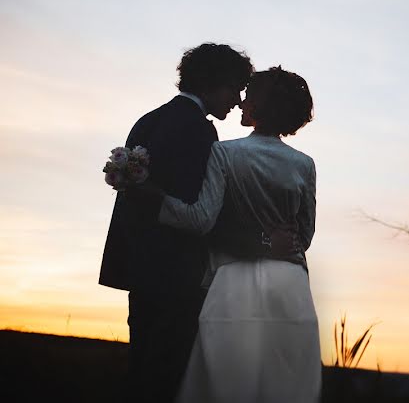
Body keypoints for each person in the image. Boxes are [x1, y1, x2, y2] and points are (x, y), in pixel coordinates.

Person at [99, 43, 279, 403]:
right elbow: (198, 210)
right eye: (235, 88)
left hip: (141, 271)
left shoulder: (148, 119)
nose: (239, 98)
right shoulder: (199, 131)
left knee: (141, 371)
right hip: (177, 278)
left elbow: (134, 203)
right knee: (167, 378)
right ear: (213, 82)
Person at [150, 66, 320, 403]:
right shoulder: (304, 164)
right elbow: (306, 234)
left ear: (258, 108)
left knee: (225, 381)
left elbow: (201, 220)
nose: (241, 104)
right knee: (285, 383)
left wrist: (153, 197)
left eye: (248, 98)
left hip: (233, 280)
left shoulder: (224, 153)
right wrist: (274, 243)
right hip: (289, 283)